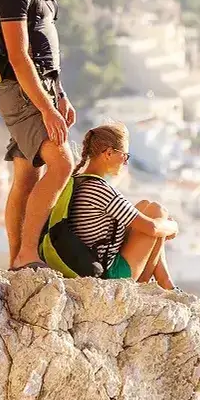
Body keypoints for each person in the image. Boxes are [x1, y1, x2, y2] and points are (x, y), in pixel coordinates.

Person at [0, 0, 77, 270]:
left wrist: (59, 94)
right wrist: (45, 107)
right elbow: (19, 55)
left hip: (39, 89)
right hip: (22, 90)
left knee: (27, 176)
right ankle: (28, 253)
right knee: (63, 162)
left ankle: (16, 259)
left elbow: (45, 52)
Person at [66, 122, 178, 287]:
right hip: (110, 275)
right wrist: (173, 226)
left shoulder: (80, 181)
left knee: (144, 206)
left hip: (92, 262)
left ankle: (166, 282)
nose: (125, 163)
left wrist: (163, 227)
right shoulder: (100, 190)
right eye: (125, 156)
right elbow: (152, 228)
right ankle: (159, 283)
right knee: (157, 211)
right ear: (109, 153)